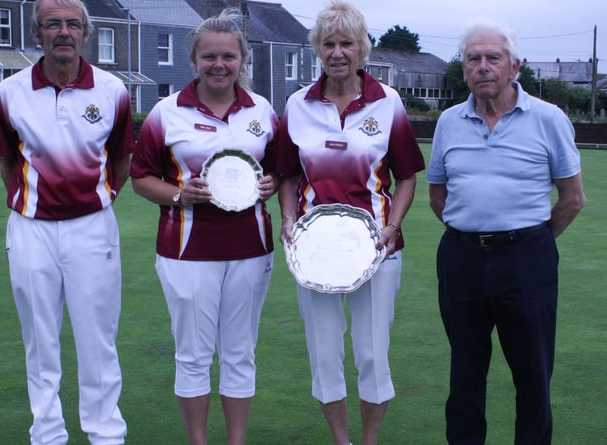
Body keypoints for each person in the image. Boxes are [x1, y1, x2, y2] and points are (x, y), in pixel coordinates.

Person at [427, 16, 586, 445]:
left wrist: (526, 241)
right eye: (473, 59)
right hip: (461, 259)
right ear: (463, 68)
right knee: (465, 373)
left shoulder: (548, 119)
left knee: (532, 375)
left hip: (527, 259)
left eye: (492, 58)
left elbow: (573, 199)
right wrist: (476, 233)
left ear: (514, 66)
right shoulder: (448, 123)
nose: (482, 67)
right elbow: (438, 197)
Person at [275, 2, 425, 444]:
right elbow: (286, 174)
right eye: (329, 43)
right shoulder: (297, 104)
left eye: (347, 43)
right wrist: (287, 219)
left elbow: (408, 177)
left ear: (362, 48)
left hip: (377, 251)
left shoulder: (388, 102)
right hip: (315, 252)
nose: (338, 52)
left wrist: (392, 228)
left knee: (372, 355)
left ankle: (369, 440)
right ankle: (342, 440)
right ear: (317, 50)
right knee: (324, 356)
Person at [129, 9, 279, 445]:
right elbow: (140, 178)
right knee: (193, 356)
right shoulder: (166, 112)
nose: (219, 65)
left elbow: (278, 173)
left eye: (229, 57)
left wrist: (270, 184)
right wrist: (180, 194)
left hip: (251, 249)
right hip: (186, 251)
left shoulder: (263, 111)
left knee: (239, 354)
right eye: (210, 56)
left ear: (242, 60)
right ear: (193, 59)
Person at [0, 0, 133, 443]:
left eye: (73, 24)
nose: (64, 32)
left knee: (97, 336)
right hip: (31, 228)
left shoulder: (112, 91)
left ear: (86, 34)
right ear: (38, 34)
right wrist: (33, 203)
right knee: (40, 337)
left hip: (92, 226)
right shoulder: (9, 92)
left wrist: (99, 198)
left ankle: (104, 431)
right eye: (53, 24)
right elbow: (8, 162)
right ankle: (48, 433)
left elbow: (122, 160)